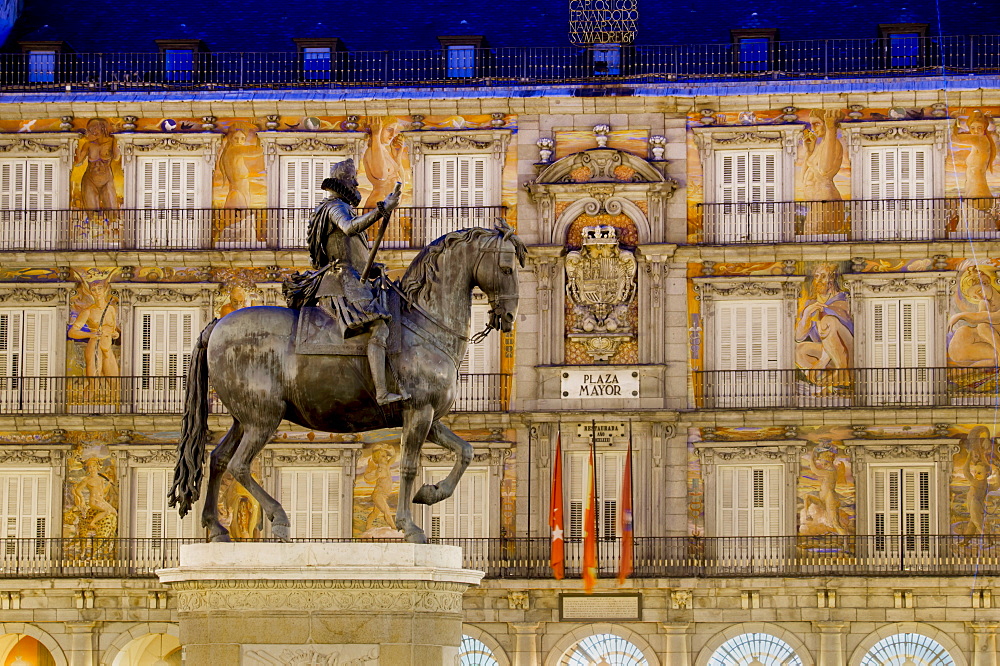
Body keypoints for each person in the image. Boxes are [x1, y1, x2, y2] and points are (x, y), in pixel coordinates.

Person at [308, 158, 408, 405]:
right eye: (352, 179)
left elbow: (350, 250)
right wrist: (382, 209)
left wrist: (371, 267)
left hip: (351, 277)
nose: (355, 183)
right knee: (379, 326)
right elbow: (350, 228)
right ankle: (382, 393)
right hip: (342, 282)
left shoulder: (336, 206)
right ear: (344, 182)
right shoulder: (335, 208)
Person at [794, 263, 854, 379]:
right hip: (829, 356)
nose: (818, 280)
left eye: (823, 276)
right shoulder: (811, 304)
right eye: (816, 276)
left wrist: (822, 361)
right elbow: (798, 337)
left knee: (828, 321)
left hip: (848, 352)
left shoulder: (844, 299)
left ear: (832, 279)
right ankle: (825, 380)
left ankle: (842, 374)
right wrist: (807, 314)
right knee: (798, 349)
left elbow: (833, 335)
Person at [68, 271, 120, 378]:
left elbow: (113, 329)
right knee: (94, 385)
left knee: (115, 385)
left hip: (107, 347)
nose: (97, 292)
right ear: (90, 292)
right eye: (93, 290)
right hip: (95, 347)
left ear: (105, 289)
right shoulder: (88, 311)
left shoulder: (111, 309)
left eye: (100, 288)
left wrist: (115, 334)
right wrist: (90, 335)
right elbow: (72, 332)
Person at [948, 264, 1000, 367]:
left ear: (986, 283)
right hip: (964, 344)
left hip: (976, 343)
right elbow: (982, 318)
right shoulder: (983, 303)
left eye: (979, 291)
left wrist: (960, 316)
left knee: (982, 327)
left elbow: (993, 317)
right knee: (981, 326)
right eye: (975, 297)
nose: (980, 297)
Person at [74, 118, 119, 211]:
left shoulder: (111, 142)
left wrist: (117, 138)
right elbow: (78, 162)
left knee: (112, 214)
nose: (92, 131)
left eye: (95, 128)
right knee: (92, 216)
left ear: (103, 128)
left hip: (107, 180)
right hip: (90, 180)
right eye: (90, 129)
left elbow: (117, 157)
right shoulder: (88, 145)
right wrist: (76, 145)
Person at [362, 117, 404, 210]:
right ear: (378, 129)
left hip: (388, 206)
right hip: (378, 208)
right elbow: (381, 175)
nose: (393, 135)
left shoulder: (383, 151)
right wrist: (376, 135)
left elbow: (396, 174)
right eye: (389, 129)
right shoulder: (372, 151)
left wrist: (397, 155)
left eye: (394, 130)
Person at [72, 457, 117, 531]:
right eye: (90, 467)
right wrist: (82, 500)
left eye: (93, 466)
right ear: (88, 469)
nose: (92, 469)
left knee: (114, 512)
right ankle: (92, 523)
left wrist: (109, 485)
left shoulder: (101, 479)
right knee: (106, 511)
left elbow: (103, 493)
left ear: (97, 467)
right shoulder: (86, 480)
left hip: (101, 501)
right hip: (94, 501)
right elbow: (78, 490)